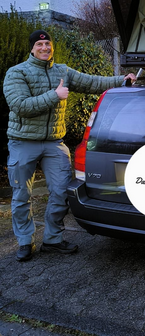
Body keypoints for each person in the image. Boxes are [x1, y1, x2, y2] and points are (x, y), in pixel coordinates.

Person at [3, 29, 136, 262]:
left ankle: (52, 239)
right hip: (23, 142)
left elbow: (92, 82)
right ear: (32, 48)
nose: (45, 48)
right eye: (39, 44)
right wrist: (55, 95)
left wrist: (122, 80)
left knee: (61, 191)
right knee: (21, 195)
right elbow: (20, 105)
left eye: (48, 44)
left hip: (54, 143)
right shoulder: (17, 72)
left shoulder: (62, 71)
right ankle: (24, 241)